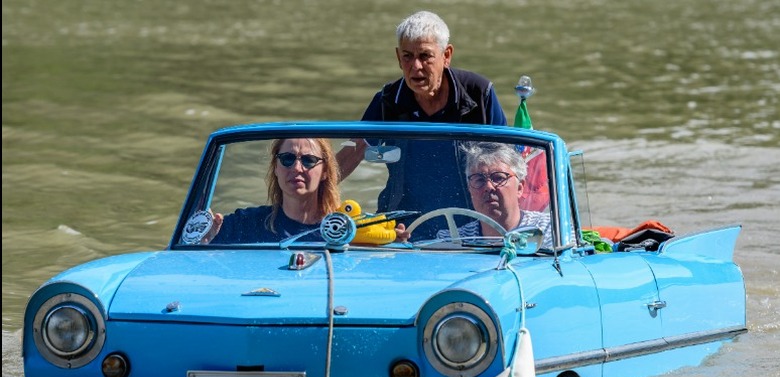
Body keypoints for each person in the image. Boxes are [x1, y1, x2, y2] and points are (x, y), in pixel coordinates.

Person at [337, 10, 507, 239]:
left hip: (472, 228)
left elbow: (506, 164)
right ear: (398, 57)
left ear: (446, 55)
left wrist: (501, 224)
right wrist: (313, 188)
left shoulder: (479, 94)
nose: (415, 66)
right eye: (407, 56)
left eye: (425, 56)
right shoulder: (389, 100)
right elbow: (354, 151)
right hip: (402, 229)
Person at [203, 138, 341, 244]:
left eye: (308, 160)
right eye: (287, 158)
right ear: (275, 168)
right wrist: (204, 241)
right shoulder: (244, 226)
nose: (297, 168)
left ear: (325, 171)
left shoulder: (345, 231)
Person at [436, 142, 553, 248]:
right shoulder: (451, 240)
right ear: (469, 190)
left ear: (519, 188)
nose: (488, 187)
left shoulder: (550, 231)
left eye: (498, 178)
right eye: (479, 180)